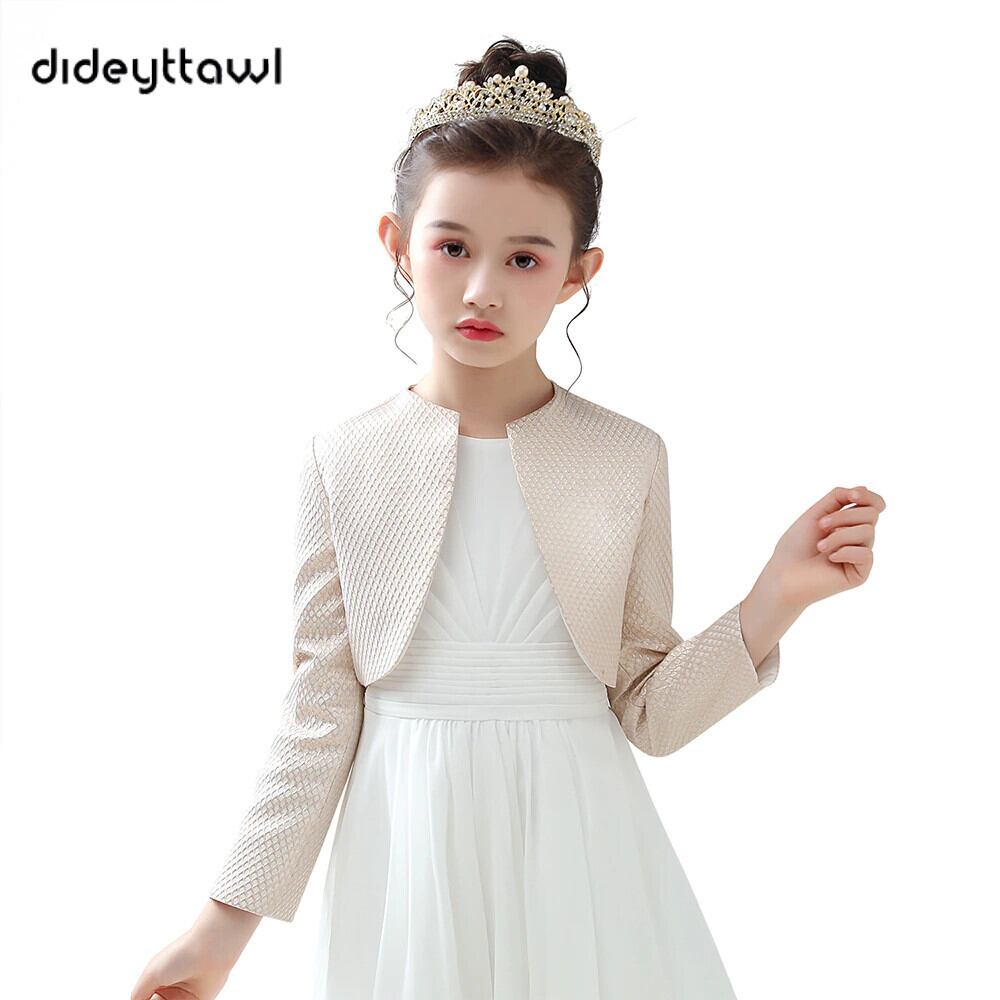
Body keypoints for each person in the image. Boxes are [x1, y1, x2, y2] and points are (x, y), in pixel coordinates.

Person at [130, 36, 886, 1000]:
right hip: (408, 851)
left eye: (525, 257)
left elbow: (649, 713)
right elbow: (319, 716)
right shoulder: (344, 459)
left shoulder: (625, 456)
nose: (483, 287)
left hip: (584, 848)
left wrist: (777, 596)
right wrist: (218, 930)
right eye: (452, 247)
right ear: (397, 243)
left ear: (577, 271)